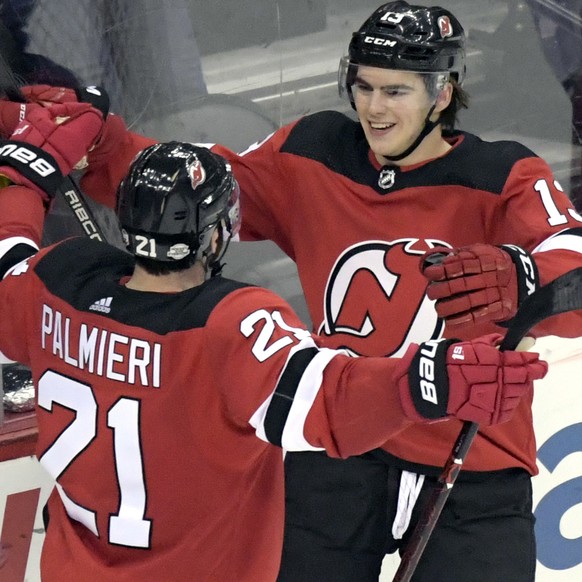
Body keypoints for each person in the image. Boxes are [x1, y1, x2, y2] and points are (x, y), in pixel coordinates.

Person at [0, 2, 580, 580]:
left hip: (468, 456)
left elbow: (573, 265)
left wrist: (526, 274)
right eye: (364, 86)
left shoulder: (505, 175)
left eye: (396, 92)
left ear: (443, 94)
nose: (373, 108)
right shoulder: (312, 149)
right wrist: (102, 146)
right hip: (336, 446)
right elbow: (202, 191)